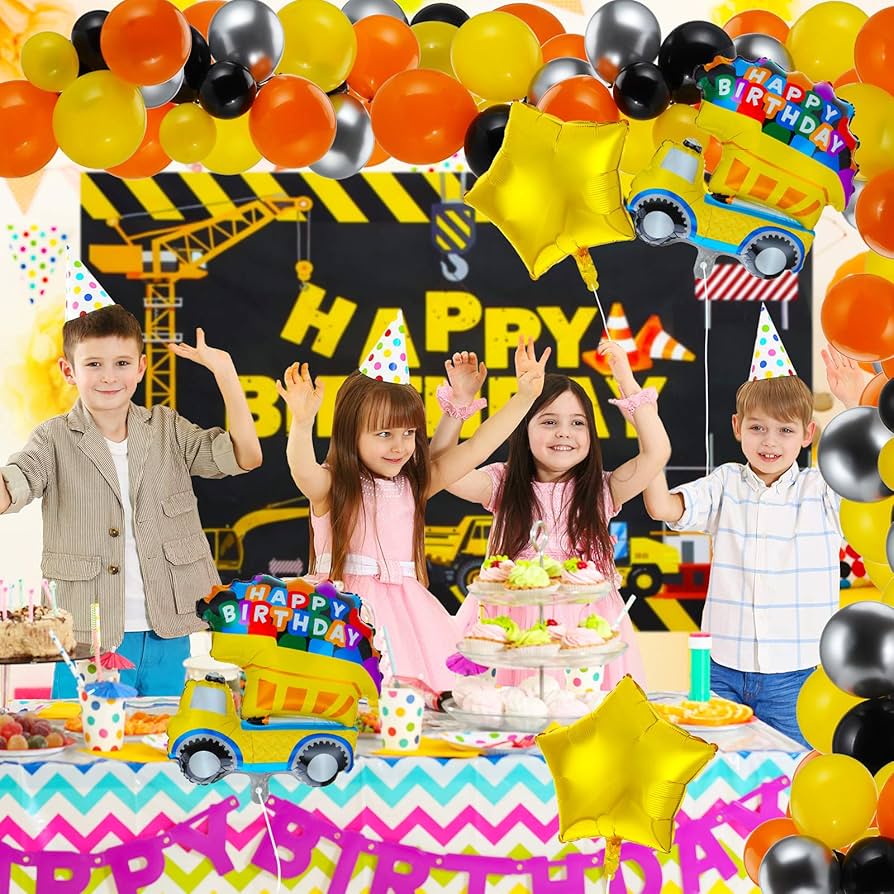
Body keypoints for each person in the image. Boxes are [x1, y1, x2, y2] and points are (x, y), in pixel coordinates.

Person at [0, 281, 262, 697]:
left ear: (140, 368)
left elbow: (246, 456)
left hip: (167, 631)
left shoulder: (167, 429)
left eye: (121, 363)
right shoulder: (52, 439)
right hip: (86, 639)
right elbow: (14, 483)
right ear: (69, 371)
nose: (109, 377)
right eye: (94, 364)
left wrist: (225, 373)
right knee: (83, 735)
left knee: (164, 731)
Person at [276, 315, 550, 693]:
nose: (399, 446)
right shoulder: (333, 485)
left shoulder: (413, 485)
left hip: (409, 617)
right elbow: (302, 470)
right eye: (384, 433)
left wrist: (525, 398)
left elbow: (477, 447)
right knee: (343, 697)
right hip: (341, 613)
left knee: (409, 697)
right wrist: (302, 422)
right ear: (350, 432)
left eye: (408, 433)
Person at [642, 305, 859, 746]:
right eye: (758, 428)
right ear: (737, 427)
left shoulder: (822, 489)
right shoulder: (725, 483)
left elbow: (871, 474)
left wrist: (855, 405)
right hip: (721, 668)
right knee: (714, 768)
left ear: (808, 434)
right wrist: (649, 435)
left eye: (785, 430)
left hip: (798, 673)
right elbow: (662, 507)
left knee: (792, 770)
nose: (770, 441)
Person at [443, 341, 672, 689]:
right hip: (512, 624)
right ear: (523, 428)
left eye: (578, 423)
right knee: (511, 708)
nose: (564, 432)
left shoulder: (604, 490)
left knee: (585, 711)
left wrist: (625, 379)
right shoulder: (502, 483)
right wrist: (459, 405)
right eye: (549, 421)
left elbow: (657, 451)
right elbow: (446, 471)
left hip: (585, 627)